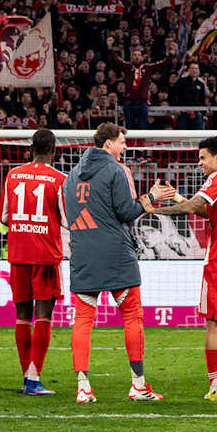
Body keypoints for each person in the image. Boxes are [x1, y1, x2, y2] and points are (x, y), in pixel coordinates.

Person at [146, 136, 217, 402]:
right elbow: (210, 212)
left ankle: (214, 388)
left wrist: (157, 210)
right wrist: (177, 195)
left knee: (213, 323)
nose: (200, 163)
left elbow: (194, 206)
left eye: (203, 158)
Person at [62, 122, 167, 402]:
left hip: (83, 253)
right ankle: (138, 385)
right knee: (132, 316)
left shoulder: (70, 177)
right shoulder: (116, 170)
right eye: (122, 141)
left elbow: (68, 215)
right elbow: (126, 211)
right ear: (108, 144)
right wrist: (151, 198)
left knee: (83, 319)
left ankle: (83, 387)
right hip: (115, 253)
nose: (125, 147)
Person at [0, 129, 65, 396]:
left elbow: (4, 217)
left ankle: (26, 375)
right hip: (45, 254)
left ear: (30, 149)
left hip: (19, 253)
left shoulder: (13, 175)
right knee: (43, 316)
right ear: (54, 151)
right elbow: (68, 220)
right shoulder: (60, 179)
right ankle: (33, 378)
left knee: (22, 315)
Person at [111, 45, 172, 129]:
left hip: (143, 103)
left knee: (142, 127)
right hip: (129, 102)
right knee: (129, 127)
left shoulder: (148, 68)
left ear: (142, 58)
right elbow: (116, 60)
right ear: (131, 57)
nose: (137, 57)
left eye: (139, 55)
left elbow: (163, 63)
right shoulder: (127, 67)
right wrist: (110, 48)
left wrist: (172, 53)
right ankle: (130, 142)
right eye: (134, 55)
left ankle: (141, 142)